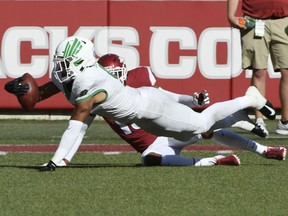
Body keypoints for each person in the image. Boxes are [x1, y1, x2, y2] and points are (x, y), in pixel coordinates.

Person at [5, 37, 277, 171]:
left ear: (83, 64)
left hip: (150, 108)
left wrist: (53, 161)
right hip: (147, 113)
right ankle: (238, 117)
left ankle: (249, 98)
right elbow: (38, 96)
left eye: (66, 64)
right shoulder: (69, 75)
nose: (60, 69)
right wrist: (19, 88)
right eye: (60, 63)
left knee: (202, 123)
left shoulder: (91, 81)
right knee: (194, 131)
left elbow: (78, 123)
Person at [227, 0, 288, 135]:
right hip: (254, 20)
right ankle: (259, 120)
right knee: (259, 71)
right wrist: (231, 15)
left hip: (284, 19)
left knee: (287, 70)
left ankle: (285, 121)